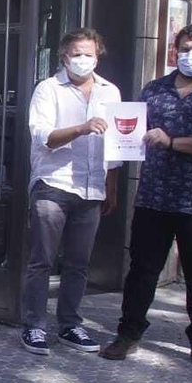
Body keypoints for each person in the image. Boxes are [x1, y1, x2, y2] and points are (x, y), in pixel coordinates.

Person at [102, 23, 192, 371]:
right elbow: (129, 134)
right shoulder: (154, 90)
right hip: (154, 198)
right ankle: (128, 333)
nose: (189, 55)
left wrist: (172, 142)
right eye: (184, 48)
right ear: (173, 51)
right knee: (142, 271)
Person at [22, 28, 121, 355]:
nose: (83, 60)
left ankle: (69, 325)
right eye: (76, 54)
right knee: (42, 261)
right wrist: (82, 127)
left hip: (91, 188)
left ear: (98, 54)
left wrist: (111, 184)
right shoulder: (48, 90)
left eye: (89, 54)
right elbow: (43, 137)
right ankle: (34, 326)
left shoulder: (110, 92)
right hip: (54, 185)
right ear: (64, 57)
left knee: (79, 263)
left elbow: (117, 145)